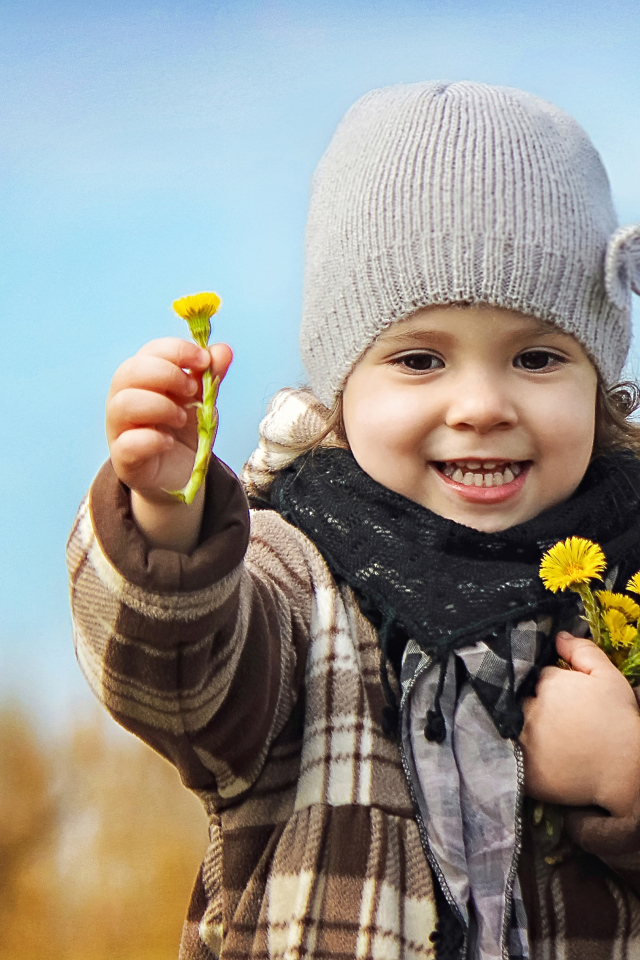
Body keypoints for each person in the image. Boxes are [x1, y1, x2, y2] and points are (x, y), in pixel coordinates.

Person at [67, 81, 640, 960]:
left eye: (536, 357)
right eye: (418, 360)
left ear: (598, 383)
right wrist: (169, 525)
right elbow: (177, 685)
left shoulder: (626, 583)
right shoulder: (294, 574)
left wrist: (631, 785)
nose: (481, 404)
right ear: (342, 390)